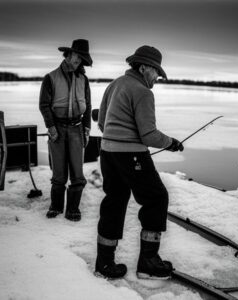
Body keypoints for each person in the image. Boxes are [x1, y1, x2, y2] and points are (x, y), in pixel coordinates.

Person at [95, 45, 184, 279]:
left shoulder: (114, 84)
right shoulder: (144, 92)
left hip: (107, 152)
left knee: (114, 200)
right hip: (131, 155)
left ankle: (104, 263)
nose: (156, 78)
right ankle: (148, 263)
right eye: (155, 72)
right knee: (156, 198)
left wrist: (118, 138)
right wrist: (171, 142)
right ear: (143, 67)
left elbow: (102, 123)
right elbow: (149, 135)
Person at [39, 39, 92, 221]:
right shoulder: (51, 77)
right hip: (58, 129)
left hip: (77, 129)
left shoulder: (83, 79)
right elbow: (44, 105)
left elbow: (88, 105)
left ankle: (73, 209)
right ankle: (55, 206)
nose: (80, 61)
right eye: (78, 56)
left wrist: (86, 129)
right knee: (59, 173)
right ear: (68, 55)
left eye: (82, 58)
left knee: (77, 174)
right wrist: (51, 128)